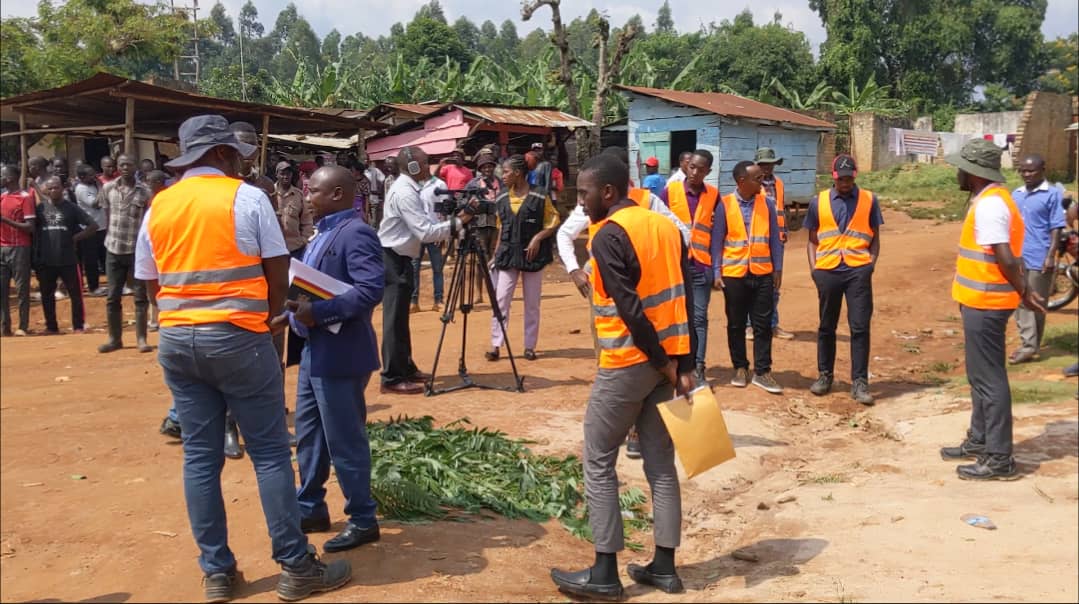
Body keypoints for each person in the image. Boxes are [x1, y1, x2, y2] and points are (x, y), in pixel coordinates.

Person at [135, 115, 351, 602]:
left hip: (178, 340)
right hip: (238, 337)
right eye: (234, 153)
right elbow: (278, 269)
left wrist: (178, 316)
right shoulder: (246, 197)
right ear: (218, 154)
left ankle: (217, 573)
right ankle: (296, 567)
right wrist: (272, 320)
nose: (239, 160)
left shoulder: (160, 204)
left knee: (200, 457)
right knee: (272, 454)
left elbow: (150, 279)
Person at [550, 153, 694, 601]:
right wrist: (682, 363)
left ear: (607, 192)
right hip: (667, 361)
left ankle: (604, 574)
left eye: (584, 193)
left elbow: (630, 308)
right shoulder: (666, 227)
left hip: (629, 363)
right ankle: (665, 569)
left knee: (597, 459)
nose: (582, 201)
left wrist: (663, 362)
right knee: (660, 466)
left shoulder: (609, 235)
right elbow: (682, 296)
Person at [272, 166, 384, 553]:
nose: (307, 197)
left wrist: (318, 315)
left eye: (313, 191)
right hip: (313, 352)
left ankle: (363, 519)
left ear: (337, 194)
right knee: (310, 435)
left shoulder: (357, 234)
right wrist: (289, 316)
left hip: (341, 353)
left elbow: (370, 291)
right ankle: (311, 506)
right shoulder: (321, 232)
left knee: (345, 440)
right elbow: (308, 289)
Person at [940, 138, 1043, 481]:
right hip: (978, 300)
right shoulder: (988, 199)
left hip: (987, 303)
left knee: (989, 380)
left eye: (961, 167)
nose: (957, 172)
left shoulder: (991, 205)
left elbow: (1005, 256)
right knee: (979, 376)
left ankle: (999, 459)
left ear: (973, 173)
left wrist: (1025, 292)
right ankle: (980, 440)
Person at [377, 146, 473, 394]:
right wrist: (460, 221)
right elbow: (425, 232)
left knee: (401, 320)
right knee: (394, 320)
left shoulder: (411, 188)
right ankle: (391, 377)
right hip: (393, 258)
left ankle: (406, 367)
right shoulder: (404, 192)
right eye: (423, 162)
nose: (428, 167)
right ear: (412, 166)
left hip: (402, 257)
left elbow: (426, 225)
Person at [804, 154, 881, 405]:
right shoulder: (820, 201)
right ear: (833, 177)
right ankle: (825, 375)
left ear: (855, 176)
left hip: (858, 271)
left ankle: (860, 382)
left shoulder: (869, 200)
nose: (845, 183)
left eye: (849, 179)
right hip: (827, 271)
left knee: (860, 327)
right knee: (827, 326)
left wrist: (870, 264)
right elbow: (812, 240)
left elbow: (875, 236)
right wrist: (815, 270)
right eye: (841, 179)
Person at [707, 160, 785, 394]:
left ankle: (763, 372)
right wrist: (716, 272)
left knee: (763, 325)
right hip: (734, 274)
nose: (762, 182)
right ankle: (740, 367)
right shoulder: (725, 205)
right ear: (742, 181)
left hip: (762, 274)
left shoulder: (767, 204)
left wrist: (778, 269)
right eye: (757, 178)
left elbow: (775, 239)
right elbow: (717, 240)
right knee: (736, 324)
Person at [487, 155, 560, 362]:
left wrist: (538, 237)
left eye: (506, 172)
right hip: (508, 255)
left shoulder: (539, 196)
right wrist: (495, 255)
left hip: (532, 257)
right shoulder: (501, 198)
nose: (503, 176)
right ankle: (496, 345)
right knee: (501, 300)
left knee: (532, 303)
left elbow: (553, 221)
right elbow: (502, 229)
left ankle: (529, 346)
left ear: (518, 173)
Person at [660, 149, 719, 383]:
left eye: (700, 169)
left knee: (699, 318)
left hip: (701, 265)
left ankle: (699, 367)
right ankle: (675, 365)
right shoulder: (670, 191)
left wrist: (716, 269)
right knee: (674, 316)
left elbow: (717, 234)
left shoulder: (713, 195)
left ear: (708, 171)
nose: (694, 172)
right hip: (674, 265)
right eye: (692, 167)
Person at [1008, 154, 1065, 364]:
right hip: (1018, 256)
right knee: (1022, 299)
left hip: (1040, 255)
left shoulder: (1052, 194)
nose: (1026, 174)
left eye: (1030, 170)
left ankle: (1030, 345)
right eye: (1022, 170)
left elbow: (1056, 227)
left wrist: (1050, 256)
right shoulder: (1017, 194)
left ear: (1043, 170)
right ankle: (1029, 345)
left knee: (1037, 302)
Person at [97, 154, 153, 354]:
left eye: (129, 164)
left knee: (140, 296)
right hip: (113, 248)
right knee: (112, 296)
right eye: (122, 164)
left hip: (135, 250)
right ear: (117, 167)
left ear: (135, 166)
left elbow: (150, 219)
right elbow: (107, 214)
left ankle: (141, 338)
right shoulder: (108, 188)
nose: (125, 167)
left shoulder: (145, 191)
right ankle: (114, 338)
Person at [34, 176, 97, 334]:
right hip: (47, 261)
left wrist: (75, 238)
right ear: (46, 191)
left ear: (62, 188)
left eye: (56, 187)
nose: (53, 190)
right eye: (50, 188)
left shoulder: (71, 208)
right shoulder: (40, 209)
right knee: (47, 296)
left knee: (75, 295)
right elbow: (34, 233)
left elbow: (93, 226)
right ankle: (51, 327)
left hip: (69, 259)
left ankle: (78, 326)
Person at [753, 147, 795, 340]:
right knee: (753, 285)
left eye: (770, 164)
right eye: (764, 164)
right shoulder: (752, 184)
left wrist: (784, 231)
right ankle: (750, 325)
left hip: (777, 240)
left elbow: (781, 209)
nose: (767, 167)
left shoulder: (779, 183)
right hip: (757, 240)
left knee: (774, 285)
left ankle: (773, 325)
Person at [1, 166, 35, 337]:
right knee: (2, 289)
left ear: (12, 177)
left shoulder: (25, 198)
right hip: (2, 248)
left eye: (3, 175)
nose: (1, 177)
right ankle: (4, 327)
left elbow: (30, 227)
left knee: (22, 288)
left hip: (20, 247)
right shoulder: (2, 197)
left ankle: (23, 325)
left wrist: (4, 220)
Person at [411, 173, 448, 313]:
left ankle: (438, 301)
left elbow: (444, 210)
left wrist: (443, 232)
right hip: (417, 232)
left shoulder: (439, 184)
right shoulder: (412, 184)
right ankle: (413, 302)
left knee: (437, 268)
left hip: (434, 231)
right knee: (414, 268)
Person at [73, 164, 108, 297]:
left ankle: (103, 284)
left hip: (101, 227)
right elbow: (96, 204)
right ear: (82, 177)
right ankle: (93, 287)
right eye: (90, 175)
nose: (94, 176)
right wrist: (100, 186)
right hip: (89, 229)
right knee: (91, 259)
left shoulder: (93, 185)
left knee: (103, 256)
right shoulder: (81, 188)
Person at [273, 161, 315, 260]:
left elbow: (307, 221)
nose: (285, 177)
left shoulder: (298, 195)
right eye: (282, 174)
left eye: (288, 173)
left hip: (294, 248)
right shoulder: (269, 192)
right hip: (272, 247)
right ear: (276, 175)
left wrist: (304, 240)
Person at [229, 121, 276, 200]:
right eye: (243, 145)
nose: (249, 150)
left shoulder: (266, 185)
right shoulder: (217, 183)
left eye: (252, 145)